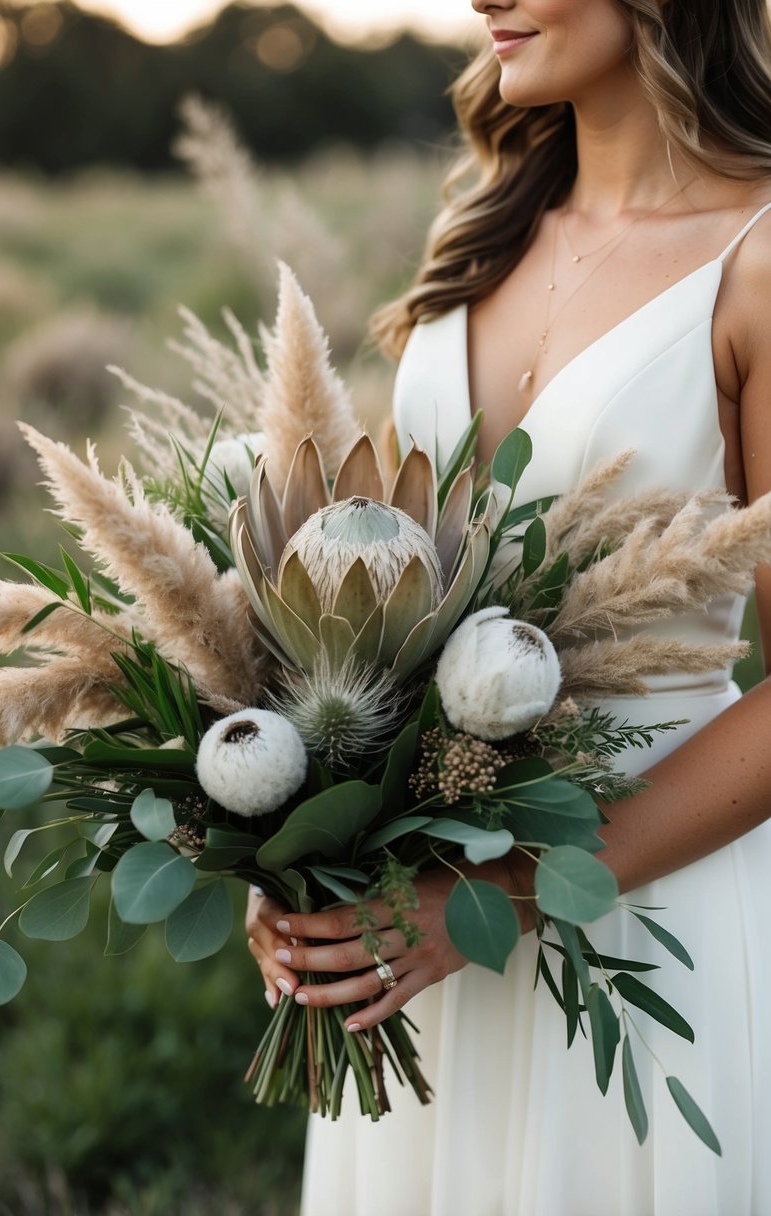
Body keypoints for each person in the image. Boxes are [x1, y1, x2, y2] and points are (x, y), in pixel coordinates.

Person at [246, 2, 771, 1212]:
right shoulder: (483, 226)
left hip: (643, 919)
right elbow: (380, 592)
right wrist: (289, 856)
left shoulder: (755, 256)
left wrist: (503, 893)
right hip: (415, 951)